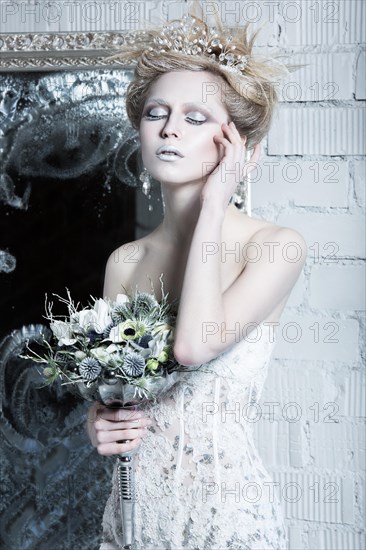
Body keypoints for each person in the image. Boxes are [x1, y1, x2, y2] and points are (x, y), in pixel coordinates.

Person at [86, 5, 307, 549]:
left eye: (195, 117)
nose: (169, 128)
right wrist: (101, 421)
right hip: (134, 515)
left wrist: (213, 205)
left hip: (227, 521)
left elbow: (192, 346)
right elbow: (124, 391)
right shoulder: (126, 262)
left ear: (236, 147)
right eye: (156, 112)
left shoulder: (276, 247)